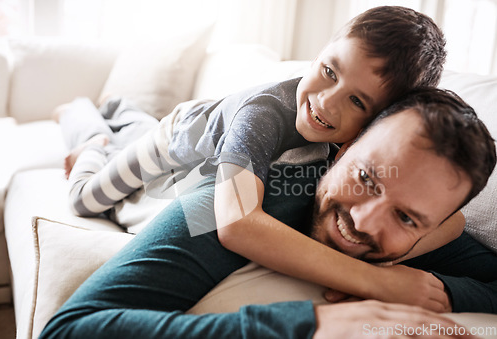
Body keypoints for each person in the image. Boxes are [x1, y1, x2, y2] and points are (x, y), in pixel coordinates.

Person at [55, 6, 459, 308]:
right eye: (329, 71)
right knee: (85, 197)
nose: (326, 102)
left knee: (132, 124)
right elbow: (238, 222)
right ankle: (89, 132)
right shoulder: (264, 114)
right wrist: (376, 280)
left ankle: (119, 110)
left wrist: (395, 257)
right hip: (176, 137)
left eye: (357, 101)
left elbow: (454, 222)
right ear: (320, 52)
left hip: (209, 142)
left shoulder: (364, 150)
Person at [40, 88, 496, 338]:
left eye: (408, 219)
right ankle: (87, 115)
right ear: (343, 151)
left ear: (437, 227)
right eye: (367, 179)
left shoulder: (431, 220)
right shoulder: (237, 204)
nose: (364, 221)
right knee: (112, 137)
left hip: (188, 147)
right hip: (156, 173)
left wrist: (440, 292)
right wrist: (310, 322)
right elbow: (71, 329)